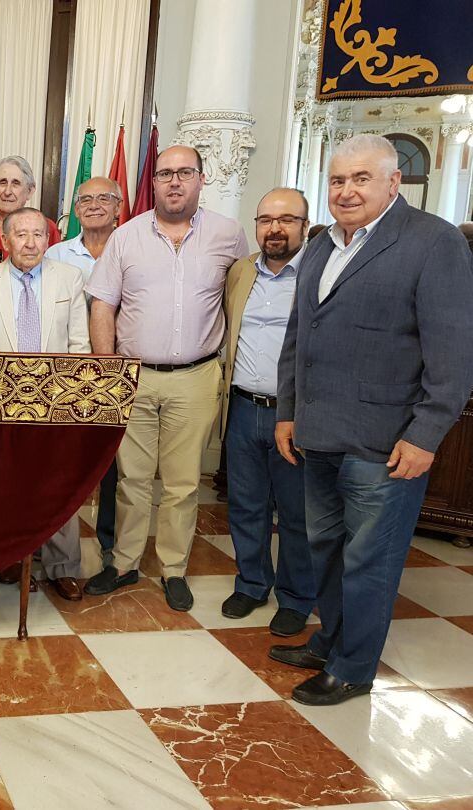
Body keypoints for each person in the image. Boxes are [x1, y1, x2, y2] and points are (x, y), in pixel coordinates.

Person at [271, 134, 473, 706]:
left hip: (386, 443)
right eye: (338, 180)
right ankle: (332, 641)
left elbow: (454, 354)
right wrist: (288, 413)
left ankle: (354, 667)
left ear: (393, 183)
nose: (347, 190)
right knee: (325, 550)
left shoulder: (433, 242)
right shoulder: (319, 246)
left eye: (361, 179)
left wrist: (426, 434)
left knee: (369, 560)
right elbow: (298, 338)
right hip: (317, 434)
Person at [86, 145, 249, 611]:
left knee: (181, 484)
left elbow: (240, 297)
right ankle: (123, 563)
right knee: (131, 480)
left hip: (196, 378)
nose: (174, 181)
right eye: (164, 174)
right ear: (152, 183)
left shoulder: (228, 235)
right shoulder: (126, 237)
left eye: (184, 173)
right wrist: (108, 372)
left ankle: (174, 569)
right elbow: (103, 304)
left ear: (201, 179)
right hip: (135, 377)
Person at [0, 207, 90, 600]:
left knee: (58, 485)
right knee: (6, 485)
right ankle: (9, 560)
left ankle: (62, 567)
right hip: (3, 404)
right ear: (6, 240)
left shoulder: (70, 279)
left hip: (55, 403)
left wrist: (68, 402)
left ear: (49, 239)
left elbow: (80, 347)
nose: (31, 243)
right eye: (21, 234)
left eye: (38, 234)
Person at [220, 188, 314, 636]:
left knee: (296, 512)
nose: (274, 228)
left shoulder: (318, 272)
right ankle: (252, 582)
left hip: (295, 415)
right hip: (242, 407)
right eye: (265, 220)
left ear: (305, 225)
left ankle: (295, 598)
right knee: (246, 504)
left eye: (286, 219)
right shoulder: (240, 272)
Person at [46, 176, 123, 585]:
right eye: (85, 200)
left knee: (115, 467)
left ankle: (113, 553)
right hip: (66, 380)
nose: (94, 206)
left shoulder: (133, 247)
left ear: (118, 206)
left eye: (104, 199)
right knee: (64, 467)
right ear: (76, 210)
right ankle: (49, 553)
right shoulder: (56, 253)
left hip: (121, 373)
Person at [0, 156, 61, 279]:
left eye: (15, 183)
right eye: (2, 182)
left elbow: (56, 277)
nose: (7, 191)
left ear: (30, 190)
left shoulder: (47, 228)